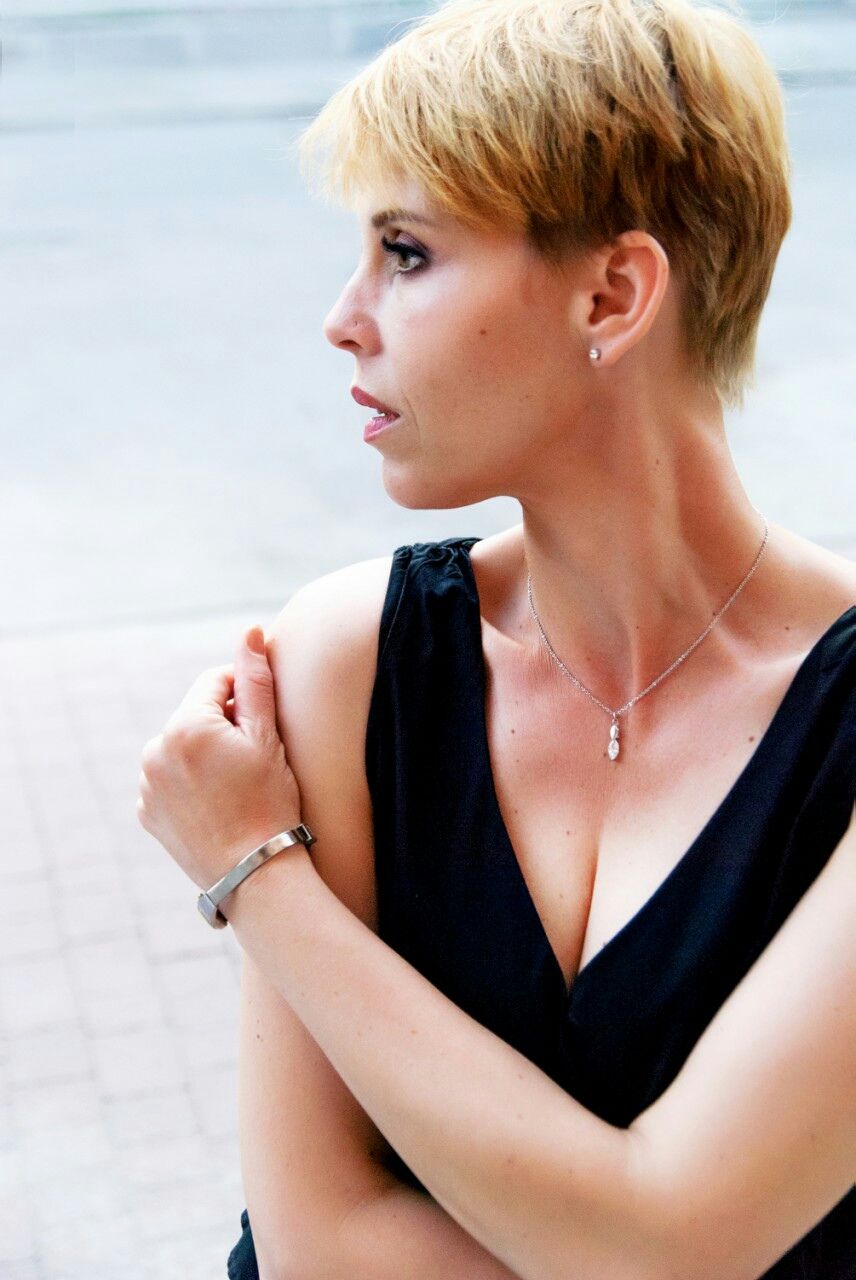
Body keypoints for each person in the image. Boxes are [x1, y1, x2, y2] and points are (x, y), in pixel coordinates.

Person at [197, 0, 854, 1275]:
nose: (343, 317)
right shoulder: (350, 663)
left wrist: (253, 869)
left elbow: (671, 1246)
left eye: (405, 252)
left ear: (611, 293)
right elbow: (316, 1244)